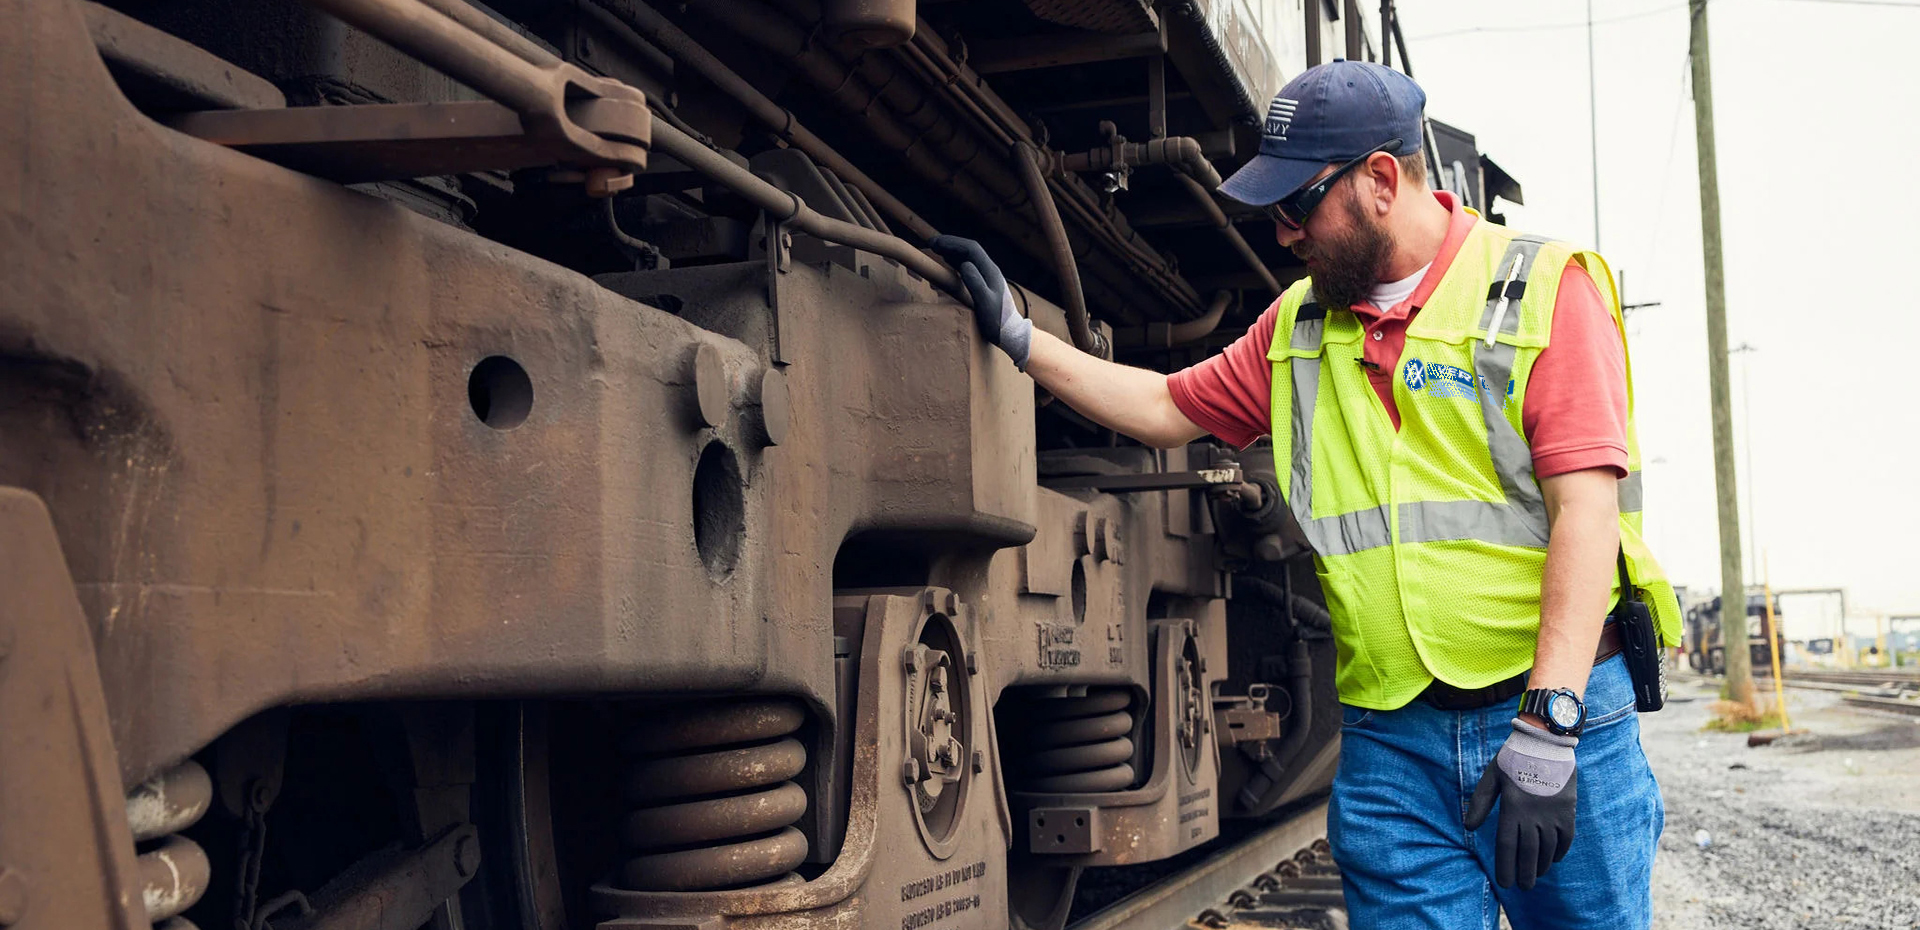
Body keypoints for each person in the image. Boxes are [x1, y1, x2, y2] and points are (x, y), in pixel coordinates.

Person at [930, 60, 1682, 930]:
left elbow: (1586, 513)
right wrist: (1023, 339)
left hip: (1556, 719)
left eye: (1300, 204)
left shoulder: (1542, 290)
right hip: (1394, 743)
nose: (1284, 233)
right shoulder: (1297, 325)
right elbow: (1166, 406)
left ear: (1381, 181)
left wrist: (1548, 728)